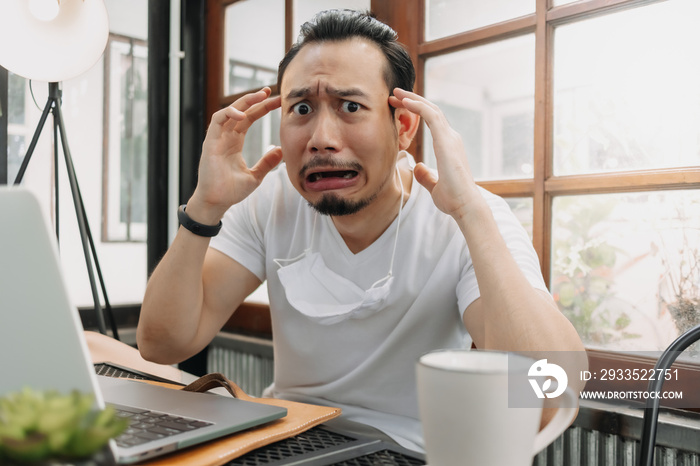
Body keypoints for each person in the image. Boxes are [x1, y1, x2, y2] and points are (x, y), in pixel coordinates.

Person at [137, 9, 586, 453]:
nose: (321, 138)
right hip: (287, 441)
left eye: (350, 107)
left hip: (406, 452)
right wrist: (205, 206)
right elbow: (163, 343)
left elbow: (548, 399)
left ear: (403, 125)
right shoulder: (271, 200)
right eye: (302, 109)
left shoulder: (468, 214)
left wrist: (469, 211)